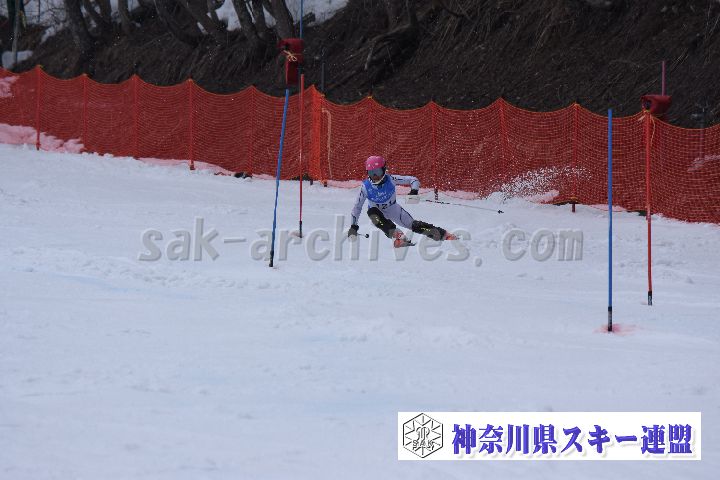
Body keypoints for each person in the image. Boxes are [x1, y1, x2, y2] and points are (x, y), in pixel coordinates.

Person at [347, 155, 456, 248]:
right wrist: (353, 226)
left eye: (377, 172)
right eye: (372, 173)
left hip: (393, 210)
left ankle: (443, 234)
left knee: (414, 225)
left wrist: (414, 191)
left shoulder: (391, 179)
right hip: (377, 214)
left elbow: (413, 180)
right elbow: (357, 207)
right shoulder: (365, 187)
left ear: (384, 170)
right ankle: (398, 236)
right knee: (372, 213)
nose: (375, 177)